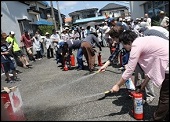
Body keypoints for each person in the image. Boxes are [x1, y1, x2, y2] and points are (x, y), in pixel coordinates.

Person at [110, 30, 169, 121]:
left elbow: (129, 70)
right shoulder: (143, 41)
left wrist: (117, 85)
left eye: (123, 44)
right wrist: (142, 85)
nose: (124, 47)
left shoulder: (136, 45)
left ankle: (157, 118)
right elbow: (153, 69)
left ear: (128, 42)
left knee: (165, 96)